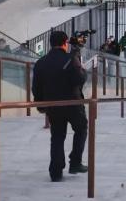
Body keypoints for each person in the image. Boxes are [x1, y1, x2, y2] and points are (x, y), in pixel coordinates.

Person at [32, 30, 88, 182]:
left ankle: (56, 172)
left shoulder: (41, 62)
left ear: (50, 43)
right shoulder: (70, 59)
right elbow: (79, 79)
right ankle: (75, 162)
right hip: (73, 103)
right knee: (81, 129)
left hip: (53, 105)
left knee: (57, 136)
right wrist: (82, 69)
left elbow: (36, 86)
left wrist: (40, 103)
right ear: (65, 43)